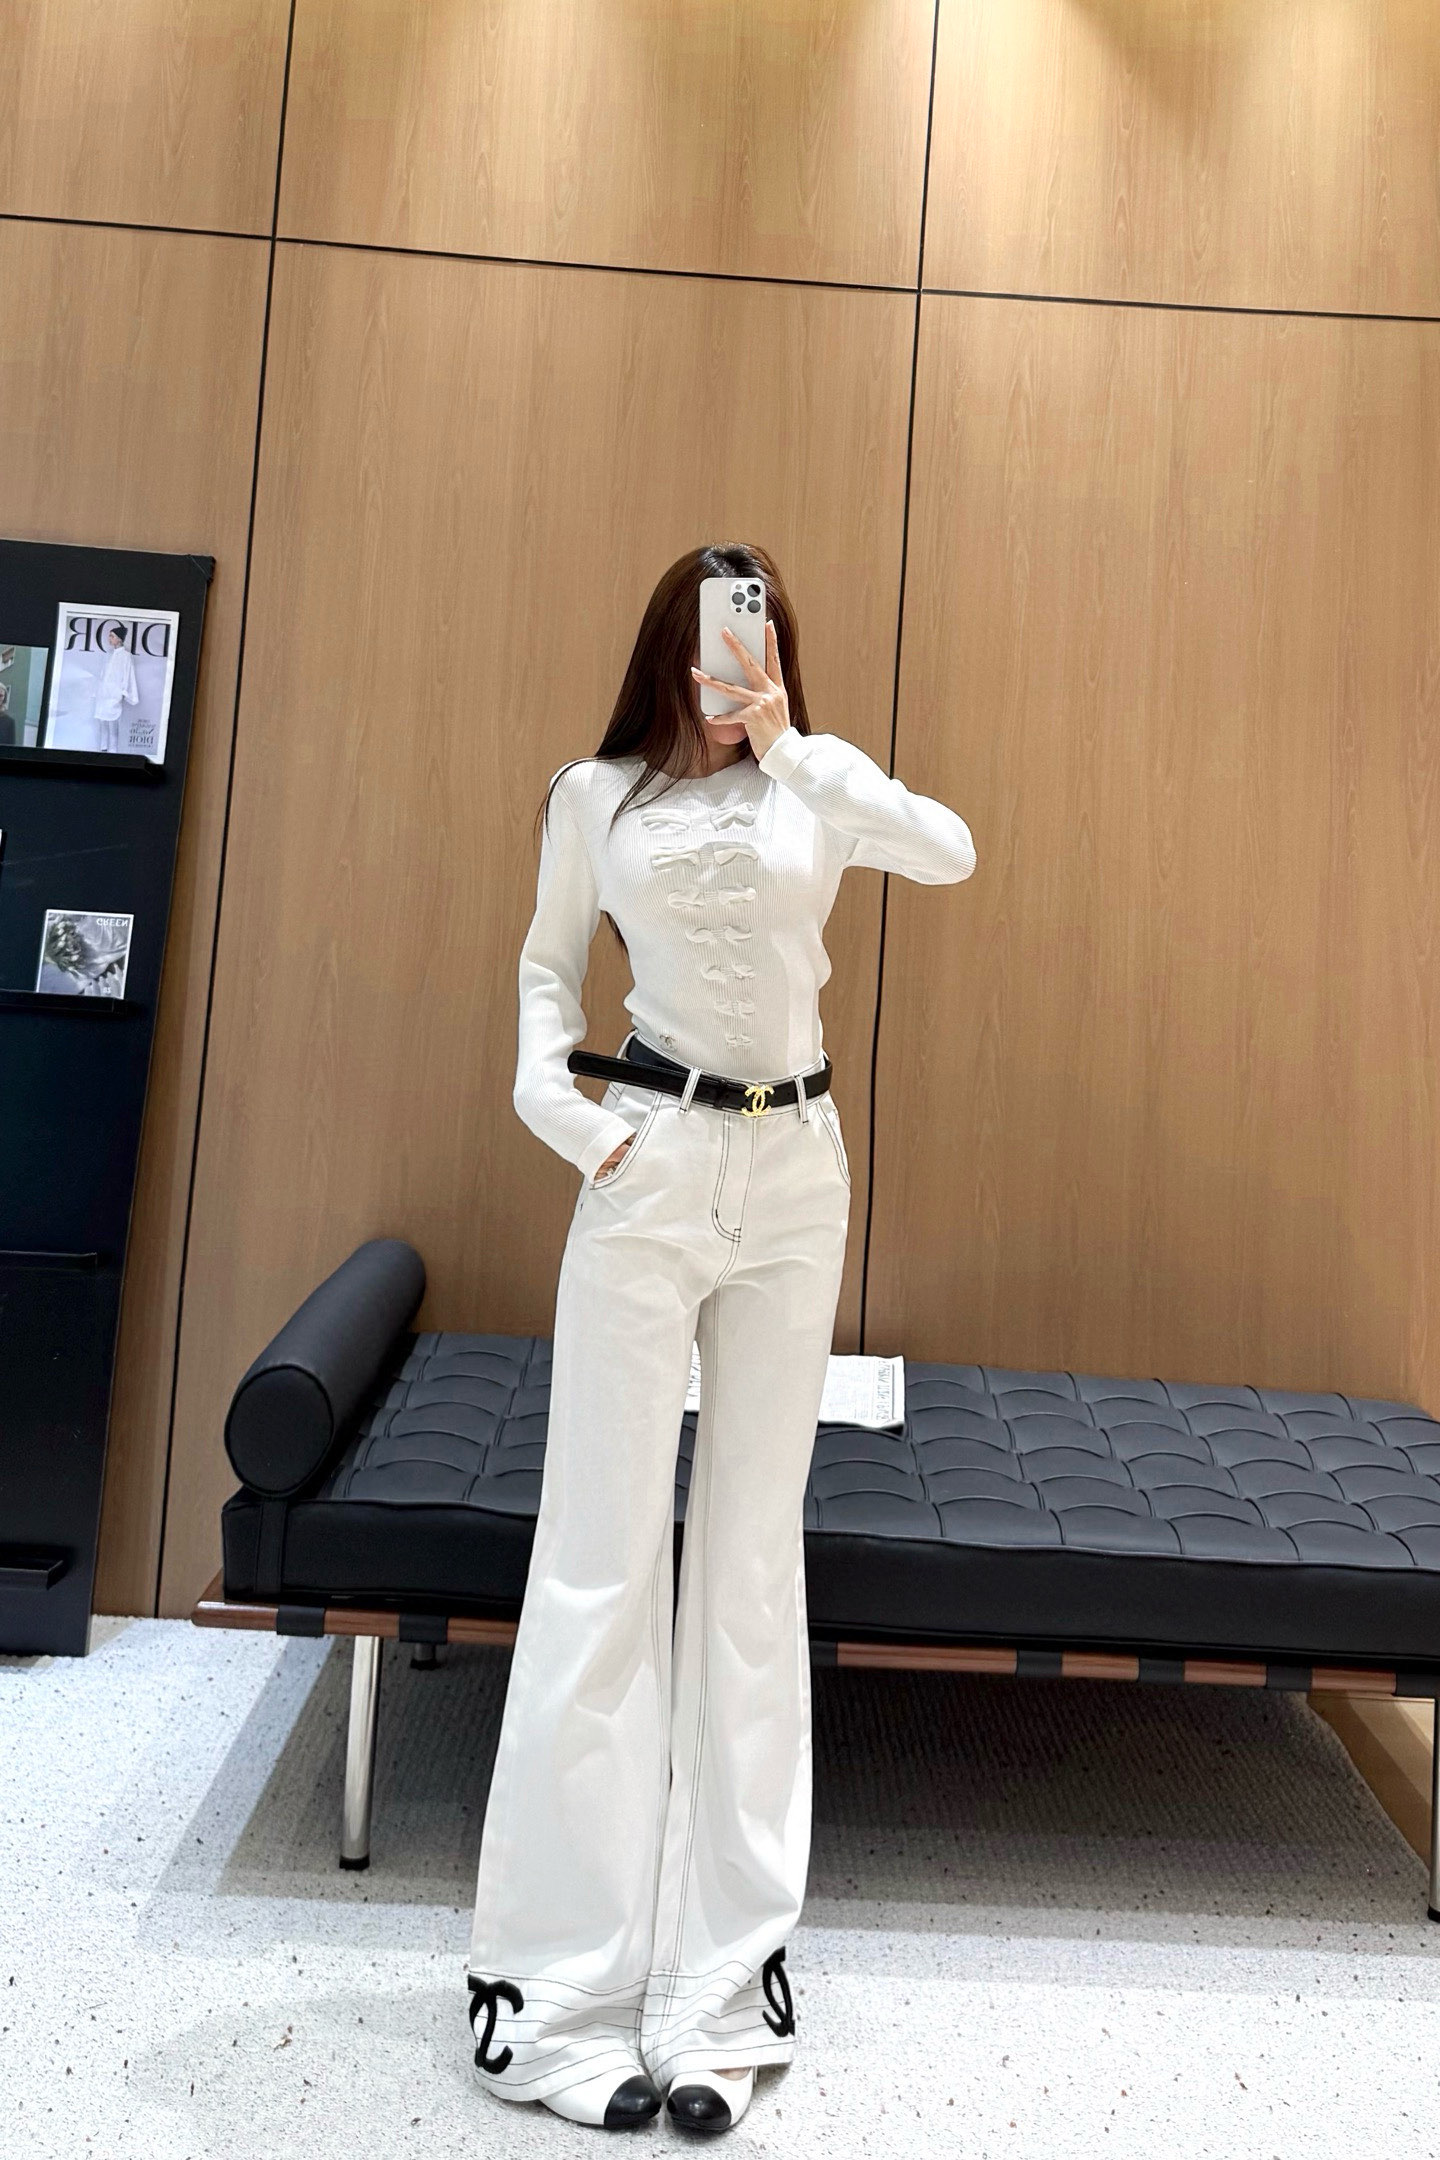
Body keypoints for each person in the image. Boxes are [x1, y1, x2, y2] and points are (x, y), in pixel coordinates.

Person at [467, 542, 976, 2135]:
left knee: (751, 1570)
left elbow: (951, 851)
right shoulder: (593, 799)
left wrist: (796, 744)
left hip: (799, 1171)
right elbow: (546, 974)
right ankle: (549, 1992)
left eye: (753, 636)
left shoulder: (815, 786)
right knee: (602, 1559)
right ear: (663, 645)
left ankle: (721, 1980)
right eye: (708, 636)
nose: (727, 661)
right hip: (651, 1156)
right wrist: (573, 1123)